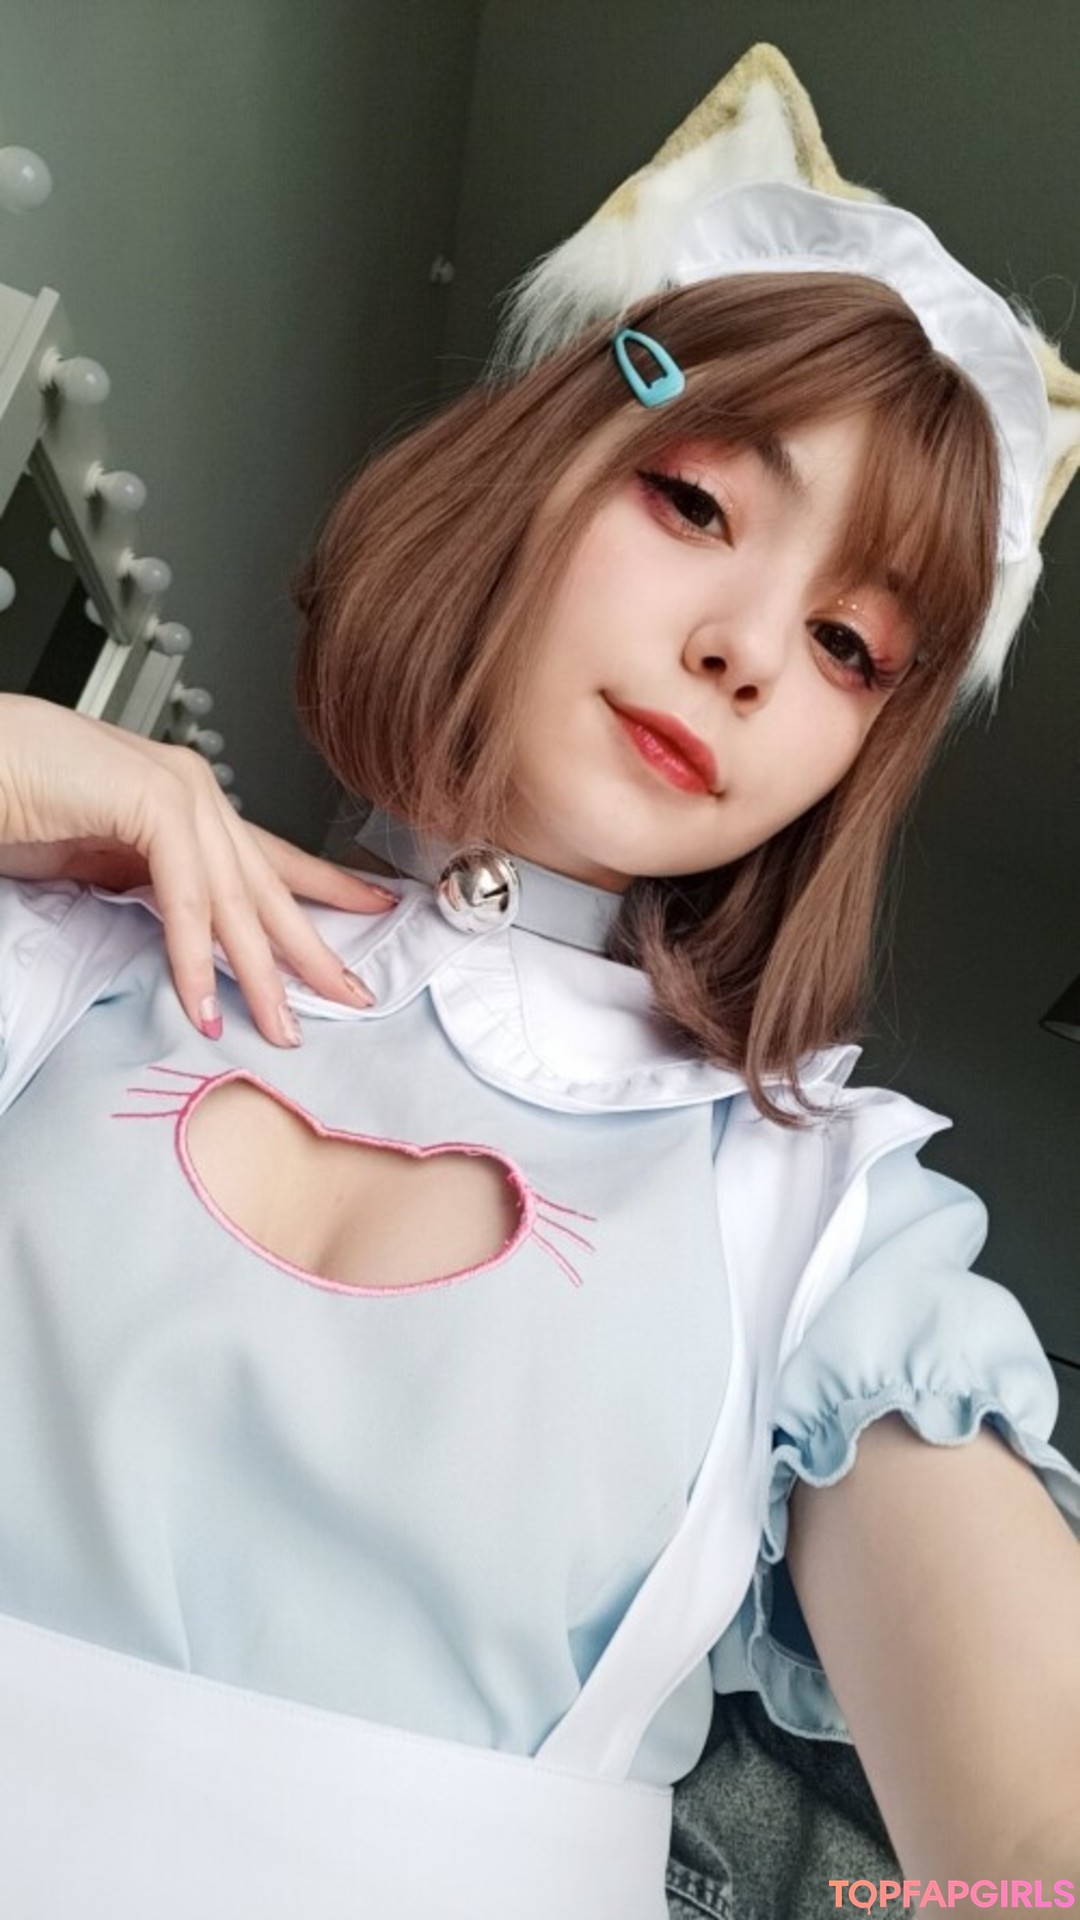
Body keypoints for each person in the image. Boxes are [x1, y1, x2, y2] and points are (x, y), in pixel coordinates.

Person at [0, 42, 1078, 1920]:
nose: (749, 651)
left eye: (849, 643)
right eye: (697, 503)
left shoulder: (828, 1228)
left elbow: (1039, 1849)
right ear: (532, 468)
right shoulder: (66, 952)